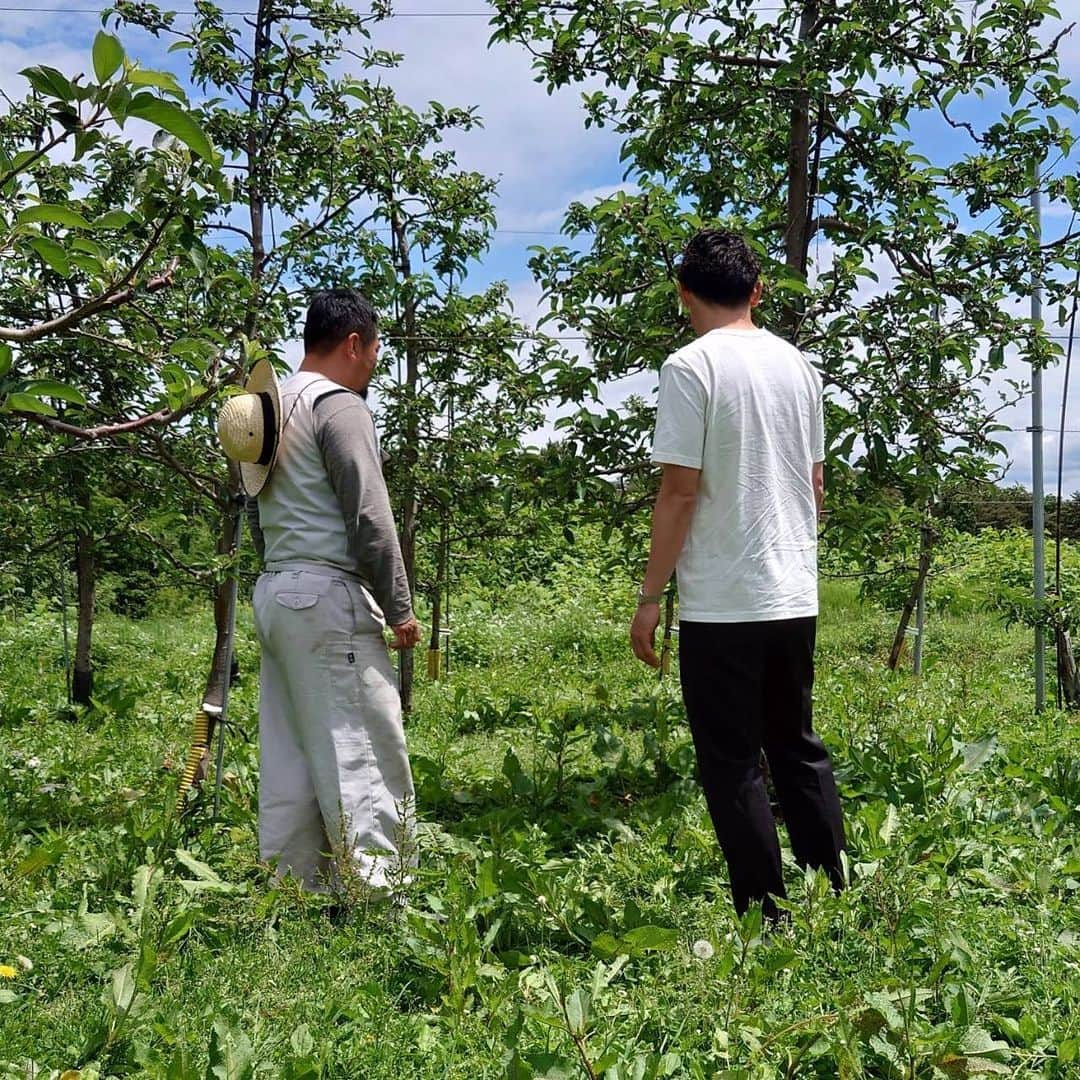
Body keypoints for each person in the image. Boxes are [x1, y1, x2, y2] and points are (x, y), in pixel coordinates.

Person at [629, 229, 845, 921]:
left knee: (731, 760)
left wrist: (649, 597)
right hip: (792, 589)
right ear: (756, 292)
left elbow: (680, 491)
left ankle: (766, 912)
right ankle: (831, 897)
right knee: (797, 746)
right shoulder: (799, 367)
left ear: (684, 293)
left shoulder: (690, 368)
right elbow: (814, 483)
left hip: (724, 600)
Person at [227, 288, 421, 893]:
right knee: (359, 743)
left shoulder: (268, 406)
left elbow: (256, 510)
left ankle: (293, 886)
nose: (375, 362)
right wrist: (400, 607)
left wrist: (284, 575)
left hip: (276, 588)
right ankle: (378, 892)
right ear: (355, 343)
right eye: (377, 348)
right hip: (330, 594)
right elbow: (369, 513)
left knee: (289, 747)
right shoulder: (339, 406)